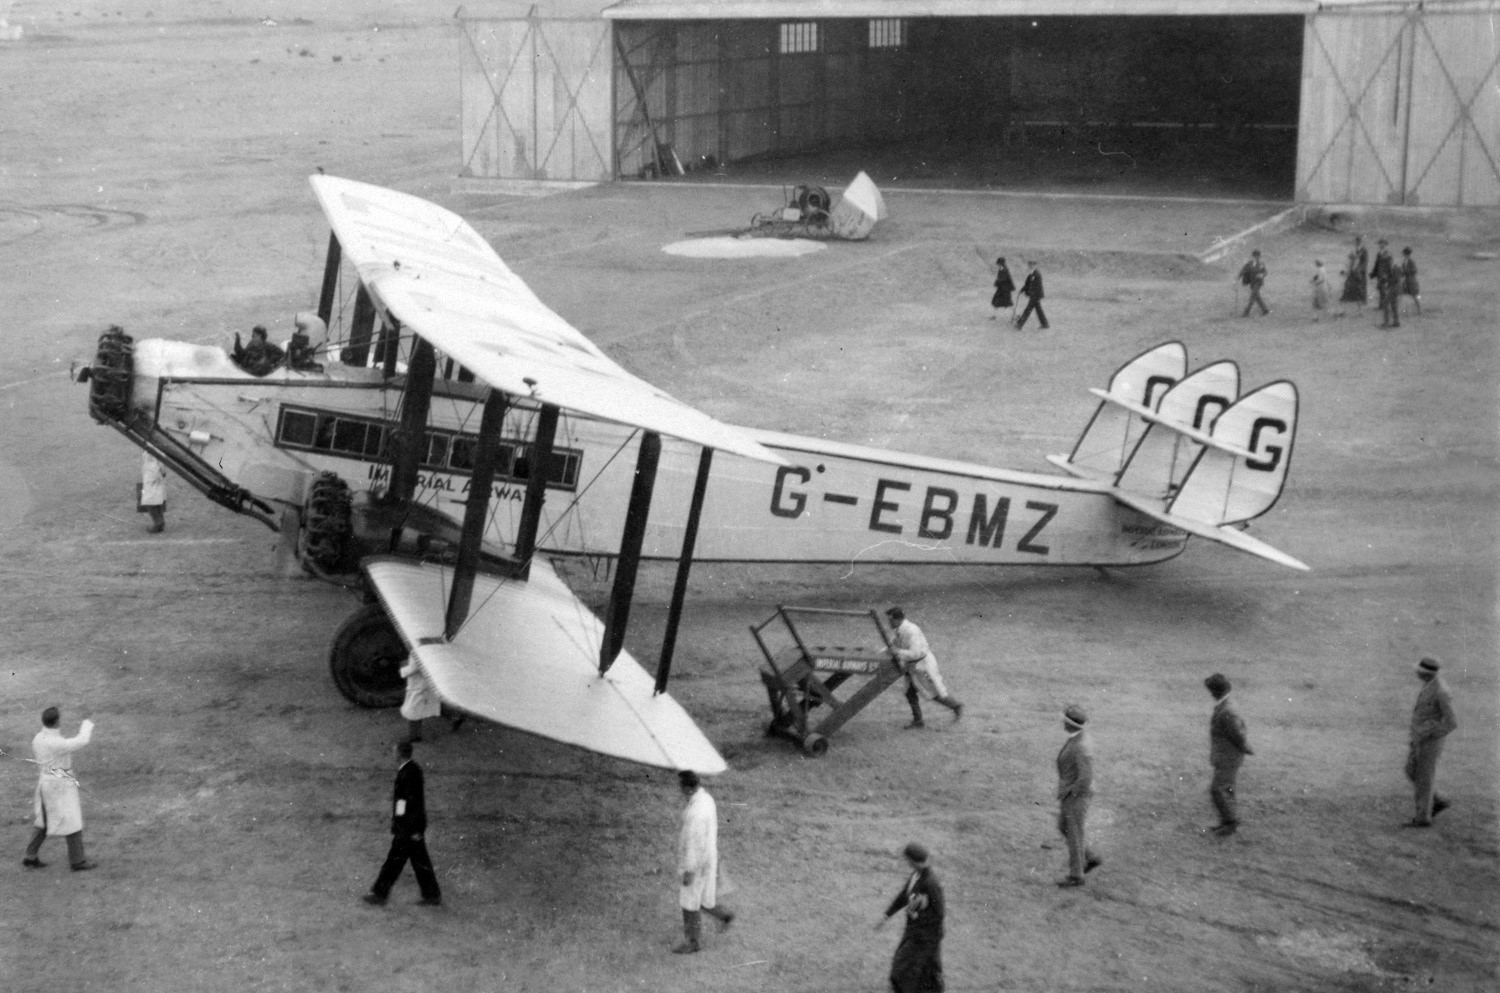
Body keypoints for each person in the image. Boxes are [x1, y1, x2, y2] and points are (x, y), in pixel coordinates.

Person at [363, 740, 441, 906]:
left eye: (394, 751)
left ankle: (379, 894)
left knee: (394, 861)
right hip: (411, 827)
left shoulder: (406, 773)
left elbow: (408, 803)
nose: (393, 754)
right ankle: (431, 895)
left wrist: (406, 826)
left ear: (399, 753)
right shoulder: (411, 770)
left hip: (407, 828)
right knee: (419, 861)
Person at [22, 707, 97, 871]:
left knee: (44, 820)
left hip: (45, 783)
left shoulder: (38, 738)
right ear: (57, 722)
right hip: (60, 785)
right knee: (72, 820)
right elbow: (82, 740)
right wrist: (87, 722)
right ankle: (77, 861)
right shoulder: (56, 742)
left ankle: (30, 856)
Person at [674, 770, 733, 953]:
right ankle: (724, 916)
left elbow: (693, 844)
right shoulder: (706, 799)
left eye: (681, 786)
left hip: (698, 863)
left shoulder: (695, 814)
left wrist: (689, 870)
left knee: (689, 901)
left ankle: (692, 942)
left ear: (687, 787)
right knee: (704, 897)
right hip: (709, 857)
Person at [876, 842, 945, 993]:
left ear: (913, 861)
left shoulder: (931, 883)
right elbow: (904, 896)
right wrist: (887, 915)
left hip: (926, 936)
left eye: (907, 860)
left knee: (905, 966)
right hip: (917, 932)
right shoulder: (916, 875)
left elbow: (939, 914)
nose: (906, 862)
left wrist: (916, 915)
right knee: (923, 969)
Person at [886, 607, 962, 728]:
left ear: (897, 619)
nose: (889, 623)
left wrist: (897, 652)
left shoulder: (912, 631)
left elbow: (916, 653)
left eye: (890, 620)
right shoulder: (899, 630)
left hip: (922, 665)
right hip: (912, 666)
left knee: (933, 692)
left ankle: (956, 706)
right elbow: (893, 644)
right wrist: (884, 651)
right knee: (909, 692)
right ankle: (918, 721)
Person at [1404, 657, 1457, 828]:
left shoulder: (1441, 691)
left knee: (1424, 778)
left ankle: (1423, 817)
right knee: (1411, 770)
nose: (1416, 672)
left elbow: (1451, 722)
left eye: (1419, 670)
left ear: (1426, 673)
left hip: (1430, 741)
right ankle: (1437, 800)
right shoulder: (1430, 685)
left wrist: (1431, 733)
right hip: (1420, 738)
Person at [1055, 704, 1100, 887]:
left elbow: (1086, 778)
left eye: (1065, 721)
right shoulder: (1078, 738)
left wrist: (1069, 791)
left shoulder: (1080, 746)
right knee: (1064, 827)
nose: (1062, 723)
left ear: (1071, 724)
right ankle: (1089, 857)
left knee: (1073, 833)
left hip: (1077, 797)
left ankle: (1076, 876)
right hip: (1074, 794)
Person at [1205, 673, 1253, 836]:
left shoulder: (1227, 710)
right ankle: (1228, 821)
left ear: (1215, 692)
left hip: (1228, 757)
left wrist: (1245, 747)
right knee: (1227, 789)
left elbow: (1237, 734)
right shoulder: (1227, 704)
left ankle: (1230, 823)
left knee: (1217, 789)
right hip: (1229, 755)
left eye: (1211, 690)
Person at [1371, 239, 1400, 328]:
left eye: (1383, 244)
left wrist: (1386, 278)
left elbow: (1394, 277)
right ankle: (1396, 322)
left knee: (1386, 302)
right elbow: (1377, 266)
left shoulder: (1390, 260)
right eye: (1380, 244)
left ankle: (1387, 322)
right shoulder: (1381, 255)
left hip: (1391, 285)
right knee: (1392, 303)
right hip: (1389, 283)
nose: (1381, 245)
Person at [1014, 260, 1048, 330]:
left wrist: (1031, 294)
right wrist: (1022, 290)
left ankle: (1019, 325)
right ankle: (1045, 324)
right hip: (1035, 295)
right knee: (1039, 310)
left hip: (1036, 295)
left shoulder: (1036, 274)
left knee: (1028, 310)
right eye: (1029, 265)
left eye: (1032, 265)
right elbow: (1028, 284)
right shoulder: (1031, 274)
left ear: (1035, 265)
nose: (1030, 266)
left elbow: (1035, 286)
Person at [1339, 235, 1369, 313]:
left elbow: (1365, 263)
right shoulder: (1354, 251)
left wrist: (1358, 269)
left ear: (1360, 242)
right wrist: (1346, 270)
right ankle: (1344, 310)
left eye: (1358, 242)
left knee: (1359, 292)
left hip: (1359, 274)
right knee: (1347, 290)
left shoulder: (1364, 251)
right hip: (1352, 273)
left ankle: (1360, 311)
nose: (1356, 243)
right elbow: (1349, 261)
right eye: (1356, 242)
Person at [139, 451, 166, 533]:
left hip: (152, 469)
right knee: (156, 498)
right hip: (156, 468)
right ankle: (160, 522)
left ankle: (158, 522)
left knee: (149, 499)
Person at [1238, 249, 1269, 317]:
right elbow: (1243, 271)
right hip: (1252, 283)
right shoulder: (1249, 263)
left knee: (1252, 296)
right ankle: (1265, 310)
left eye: (1258, 256)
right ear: (1253, 256)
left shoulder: (1261, 263)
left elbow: (1265, 272)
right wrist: (1238, 278)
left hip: (1258, 282)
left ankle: (1246, 312)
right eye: (1256, 256)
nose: (1257, 258)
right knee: (1257, 297)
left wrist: (1262, 275)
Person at [1400, 247, 1422, 316]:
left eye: (1405, 254)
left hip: (1412, 280)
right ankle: (1395, 308)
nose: (1404, 255)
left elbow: (1414, 271)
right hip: (1406, 280)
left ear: (1407, 254)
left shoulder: (1411, 261)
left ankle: (1419, 310)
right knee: (1400, 293)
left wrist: (1405, 272)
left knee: (1414, 295)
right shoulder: (1405, 261)